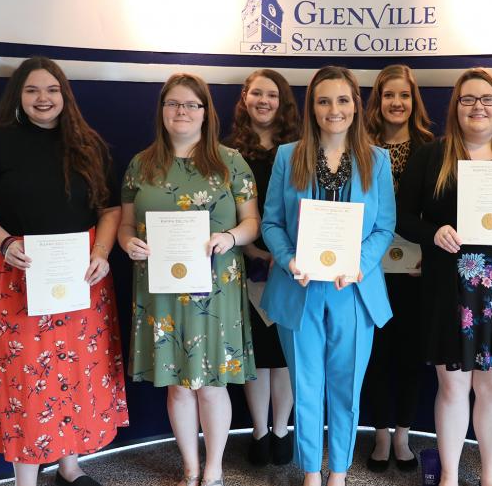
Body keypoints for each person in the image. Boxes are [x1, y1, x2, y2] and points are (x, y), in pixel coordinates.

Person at [0, 56, 129, 486]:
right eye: (33, 90)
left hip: (82, 277)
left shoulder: (88, 144)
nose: (43, 98)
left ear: (64, 95)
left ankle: (70, 467)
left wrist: (103, 253)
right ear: (19, 95)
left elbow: (110, 209)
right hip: (18, 277)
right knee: (26, 382)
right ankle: (26, 479)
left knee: (76, 372)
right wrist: (5, 242)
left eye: (52, 90)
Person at [397, 68, 492, 486]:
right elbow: (403, 218)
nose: (477, 107)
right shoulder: (432, 155)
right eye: (467, 100)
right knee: (451, 389)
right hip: (450, 289)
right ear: (455, 107)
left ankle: (491, 476)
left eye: (487, 99)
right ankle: (448, 476)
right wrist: (433, 232)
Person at [118, 73, 260, 486]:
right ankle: (190, 468)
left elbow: (253, 222)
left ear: (205, 113)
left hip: (215, 292)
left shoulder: (230, 161)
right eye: (173, 104)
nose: (182, 112)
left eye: (191, 105)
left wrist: (230, 237)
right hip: (159, 292)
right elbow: (126, 225)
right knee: (178, 388)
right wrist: (128, 244)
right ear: (162, 111)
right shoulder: (140, 165)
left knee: (211, 386)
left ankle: (213, 470)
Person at [260, 66, 395, 486]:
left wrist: (359, 263)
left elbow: (384, 226)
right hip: (300, 288)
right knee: (305, 385)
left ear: (356, 105)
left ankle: (338, 472)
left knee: (345, 388)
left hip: (353, 290)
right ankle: (310, 473)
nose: (333, 109)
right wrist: (287, 259)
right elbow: (271, 223)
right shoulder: (288, 155)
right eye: (323, 101)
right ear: (311, 108)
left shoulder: (377, 160)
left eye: (341, 100)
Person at [226, 69, 301, 466]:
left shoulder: (299, 150)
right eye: (257, 93)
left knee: (284, 353)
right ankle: (258, 430)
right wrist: (254, 251)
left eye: (272, 95)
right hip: (243, 264)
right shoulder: (225, 151)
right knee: (255, 354)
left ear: (282, 101)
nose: (264, 101)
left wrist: (283, 254)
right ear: (245, 98)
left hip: (290, 264)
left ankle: (281, 429)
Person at [362, 64, 433, 473]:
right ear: (378, 101)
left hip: (416, 270)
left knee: (408, 354)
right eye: (389, 95)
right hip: (368, 269)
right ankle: (381, 433)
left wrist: (429, 252)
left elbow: (437, 208)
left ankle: (404, 435)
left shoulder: (431, 146)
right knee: (376, 354)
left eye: (404, 95)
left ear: (413, 101)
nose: (396, 103)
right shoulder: (361, 145)